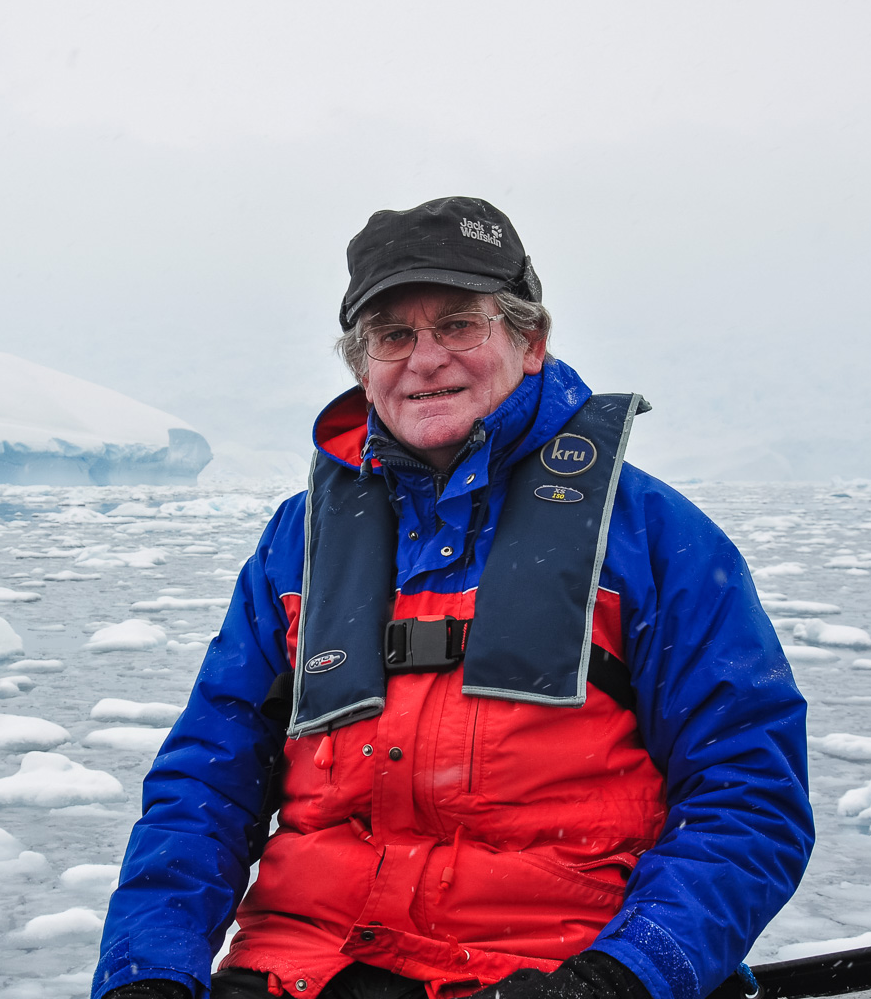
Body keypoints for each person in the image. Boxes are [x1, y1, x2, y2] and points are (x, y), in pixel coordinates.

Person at [91, 198, 813, 999]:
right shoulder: (300, 545)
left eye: (459, 325)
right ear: (362, 366)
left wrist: (621, 978)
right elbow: (205, 783)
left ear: (530, 341)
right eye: (393, 335)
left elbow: (749, 798)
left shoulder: (651, 536)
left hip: (551, 970)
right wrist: (147, 972)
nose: (425, 359)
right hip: (305, 968)